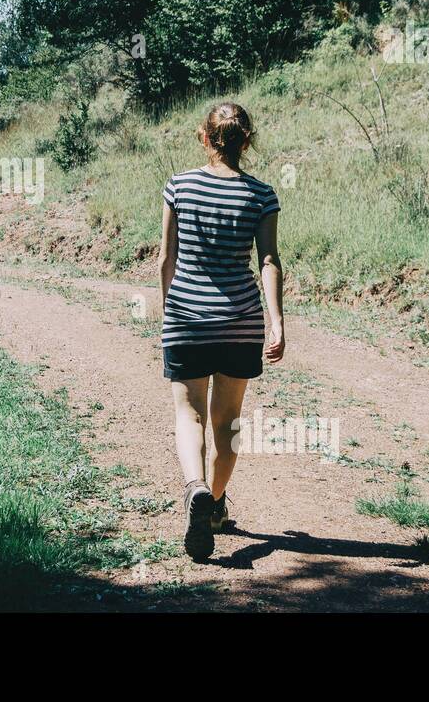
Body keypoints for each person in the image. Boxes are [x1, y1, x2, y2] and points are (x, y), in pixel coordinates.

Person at [158, 101, 284, 560]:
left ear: (205, 138)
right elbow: (268, 260)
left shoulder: (179, 185)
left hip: (188, 316)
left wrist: (169, 309)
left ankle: (194, 489)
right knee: (227, 422)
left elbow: (166, 258)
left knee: (188, 416)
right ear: (246, 141)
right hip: (240, 322)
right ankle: (213, 506)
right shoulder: (262, 196)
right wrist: (276, 321)